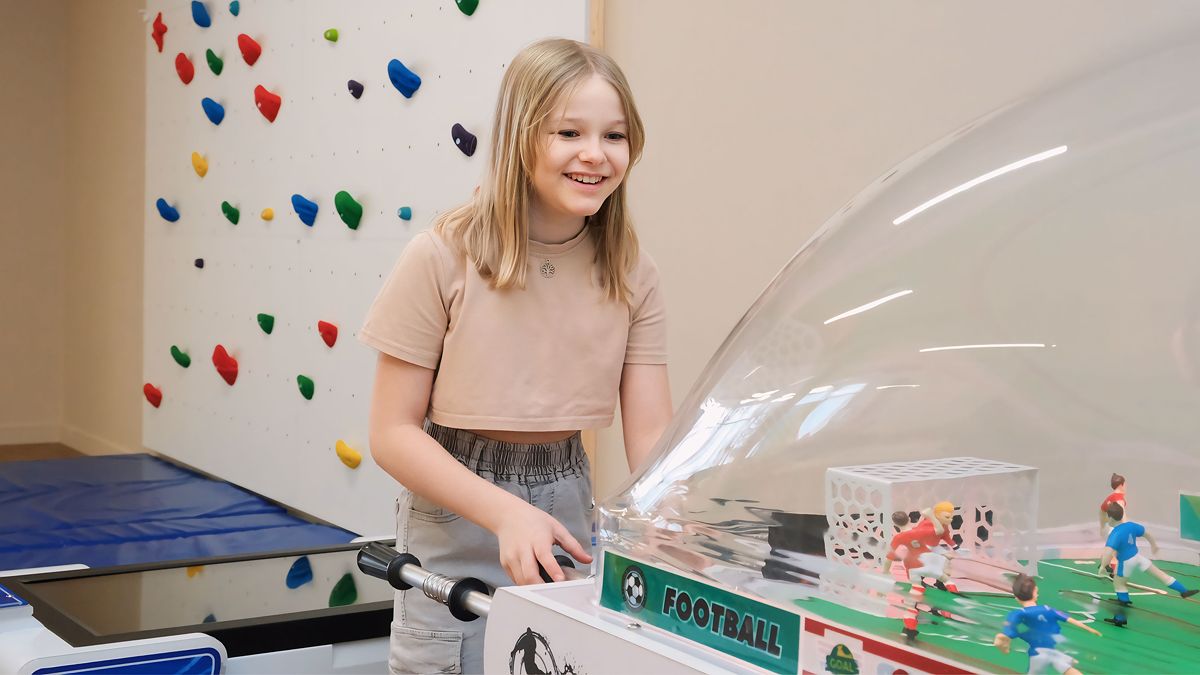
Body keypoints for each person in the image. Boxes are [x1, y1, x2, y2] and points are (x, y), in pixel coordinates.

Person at [360, 38, 672, 674]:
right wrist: (505, 512)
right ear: (521, 137)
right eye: (569, 132)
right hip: (454, 510)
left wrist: (673, 524)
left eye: (614, 135)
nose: (595, 153)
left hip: (568, 501)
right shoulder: (440, 255)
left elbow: (652, 437)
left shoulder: (632, 272)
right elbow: (392, 434)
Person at [993, 574, 1101, 675]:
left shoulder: (1019, 613)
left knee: (1060, 666)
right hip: (1049, 650)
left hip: (1039, 653)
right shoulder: (1048, 609)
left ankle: (1003, 638)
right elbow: (1070, 619)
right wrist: (1090, 629)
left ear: (1016, 598)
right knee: (1067, 668)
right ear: (1035, 592)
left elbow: (1011, 625)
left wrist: (1006, 637)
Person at [882, 502, 958, 641]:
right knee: (944, 579)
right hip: (928, 562)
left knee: (913, 599)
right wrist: (930, 516)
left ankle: (910, 629)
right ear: (909, 519)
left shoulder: (898, 537)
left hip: (913, 568)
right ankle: (950, 599)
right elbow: (939, 531)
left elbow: (889, 558)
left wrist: (885, 572)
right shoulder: (920, 530)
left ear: (895, 524)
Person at [1098, 503, 1195, 605]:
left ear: (1110, 518)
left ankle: (1123, 601)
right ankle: (1184, 591)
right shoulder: (1131, 525)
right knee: (1161, 575)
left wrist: (1103, 566)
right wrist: (1153, 545)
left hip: (1126, 562)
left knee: (1119, 582)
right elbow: (1147, 534)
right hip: (1137, 557)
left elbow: (1108, 552)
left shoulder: (1115, 534)